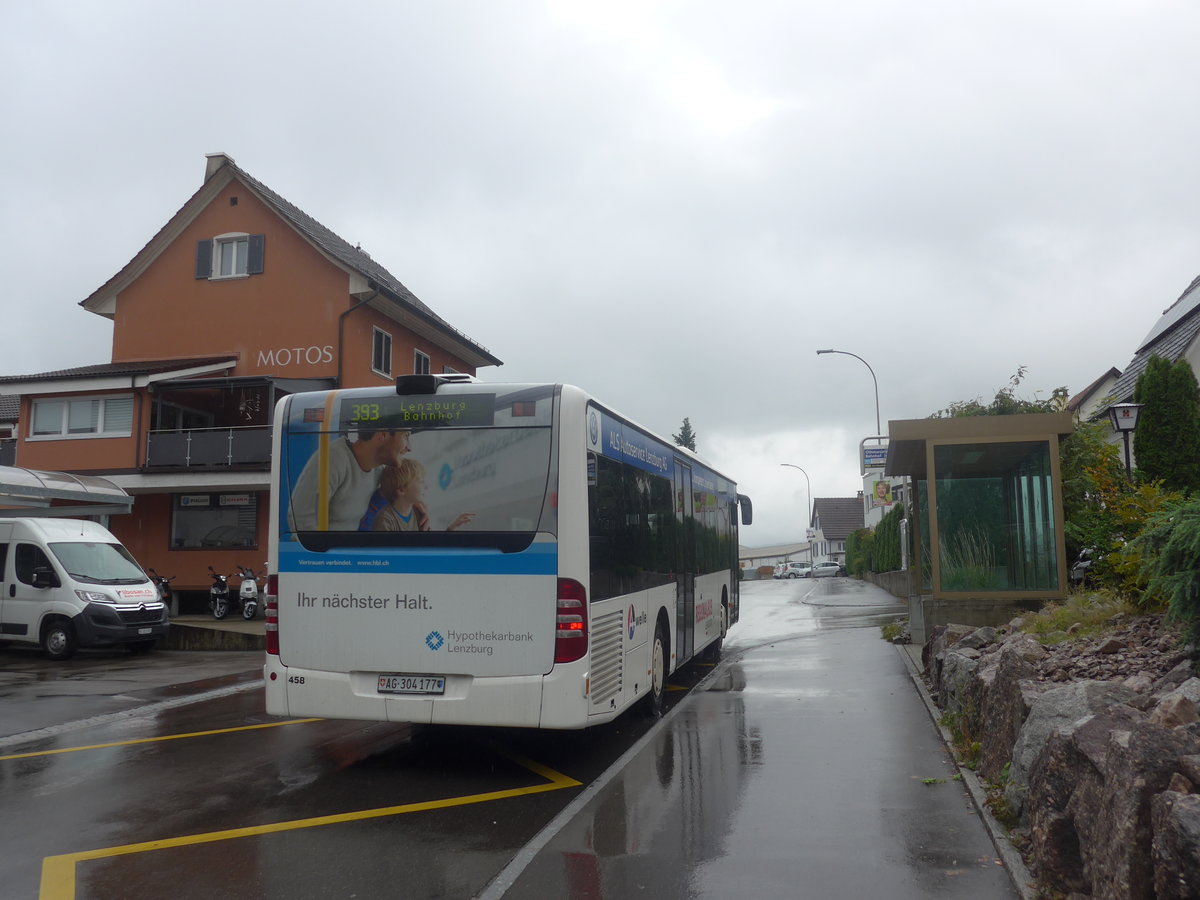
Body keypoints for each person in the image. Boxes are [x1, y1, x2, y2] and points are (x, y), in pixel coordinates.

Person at [287, 428, 428, 532]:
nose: (409, 448)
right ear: (382, 435)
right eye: (405, 436)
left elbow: (398, 489)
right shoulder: (334, 459)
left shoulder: (376, 471)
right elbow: (300, 518)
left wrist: (414, 503)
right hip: (324, 562)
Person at [372, 459, 474, 532]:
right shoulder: (385, 520)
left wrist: (451, 528)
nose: (426, 486)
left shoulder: (419, 514)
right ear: (402, 489)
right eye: (421, 482)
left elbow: (429, 548)